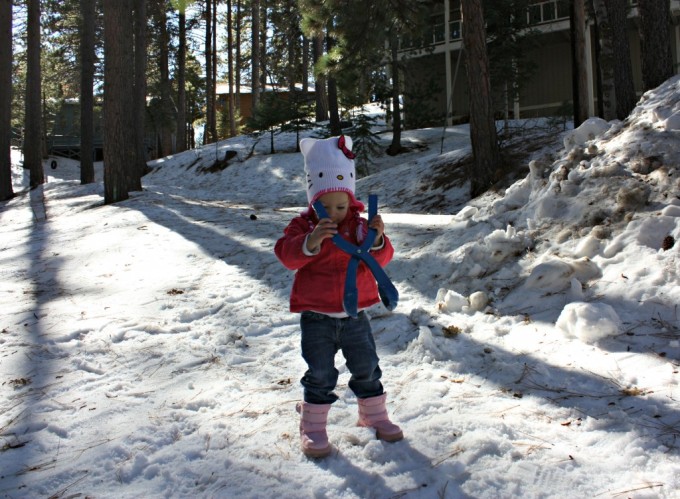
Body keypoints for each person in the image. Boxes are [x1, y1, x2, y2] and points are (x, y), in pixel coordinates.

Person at [274, 135, 403, 459]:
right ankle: (313, 426)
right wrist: (310, 241)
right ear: (312, 201)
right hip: (317, 317)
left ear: (351, 202)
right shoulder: (303, 226)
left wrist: (377, 239)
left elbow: (382, 259)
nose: (334, 213)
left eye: (341, 206)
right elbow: (287, 256)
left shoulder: (359, 227)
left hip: (355, 315)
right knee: (320, 373)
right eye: (325, 207)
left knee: (367, 366)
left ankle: (373, 414)